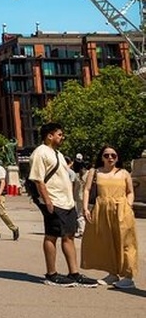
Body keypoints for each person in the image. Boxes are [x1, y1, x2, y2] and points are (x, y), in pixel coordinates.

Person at [28, 123, 97, 287]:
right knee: (51, 236)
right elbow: (38, 179)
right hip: (53, 201)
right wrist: (48, 201)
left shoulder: (58, 154)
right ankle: (51, 274)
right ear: (49, 136)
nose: (62, 137)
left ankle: (74, 273)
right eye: (59, 134)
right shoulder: (40, 153)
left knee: (69, 236)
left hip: (66, 202)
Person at [81, 145, 139, 289]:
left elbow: (130, 191)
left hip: (121, 208)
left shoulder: (124, 173)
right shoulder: (95, 172)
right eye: (106, 155)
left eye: (113, 155)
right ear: (101, 157)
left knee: (126, 242)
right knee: (107, 242)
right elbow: (87, 190)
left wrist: (129, 206)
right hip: (102, 208)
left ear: (118, 157)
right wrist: (85, 207)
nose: (110, 158)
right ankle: (112, 273)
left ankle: (128, 276)